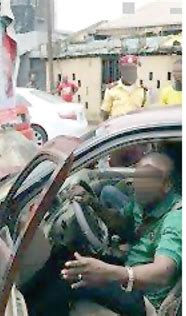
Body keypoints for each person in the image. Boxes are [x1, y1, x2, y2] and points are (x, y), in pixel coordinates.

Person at [32, 153, 181, 316]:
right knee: (62, 255)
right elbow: (120, 223)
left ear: (166, 185)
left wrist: (108, 272)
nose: (136, 184)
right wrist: (92, 202)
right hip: (128, 270)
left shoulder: (176, 218)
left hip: (145, 297)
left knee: (67, 283)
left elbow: (162, 272)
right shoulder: (144, 202)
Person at [101, 55, 148, 121]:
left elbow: (147, 114)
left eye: (132, 69)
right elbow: (105, 113)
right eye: (126, 69)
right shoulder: (112, 89)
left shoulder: (143, 91)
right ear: (121, 70)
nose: (129, 72)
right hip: (117, 128)